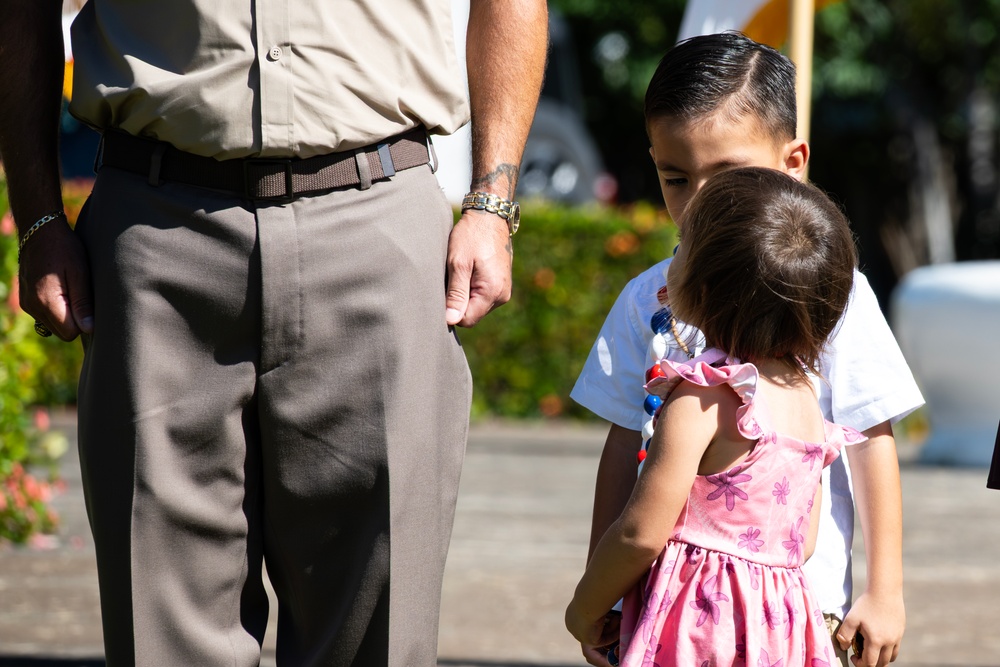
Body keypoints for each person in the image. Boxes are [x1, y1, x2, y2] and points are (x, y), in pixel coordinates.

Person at [0, 0, 547, 665]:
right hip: (155, 237)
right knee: (162, 635)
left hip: (376, 221)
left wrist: (492, 203)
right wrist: (37, 215)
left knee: (375, 632)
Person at [570, 33, 923, 667]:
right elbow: (625, 440)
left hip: (799, 613)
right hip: (670, 612)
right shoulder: (646, 295)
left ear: (793, 163)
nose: (701, 202)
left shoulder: (834, 294)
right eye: (675, 178)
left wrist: (885, 589)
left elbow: (870, 433)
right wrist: (608, 587)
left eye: (730, 176)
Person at [566, 166, 865, 666]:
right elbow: (804, 542)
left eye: (683, 252)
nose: (672, 262)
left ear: (705, 288)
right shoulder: (805, 402)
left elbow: (641, 532)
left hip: (701, 625)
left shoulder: (704, 398)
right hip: (781, 631)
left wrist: (585, 610)